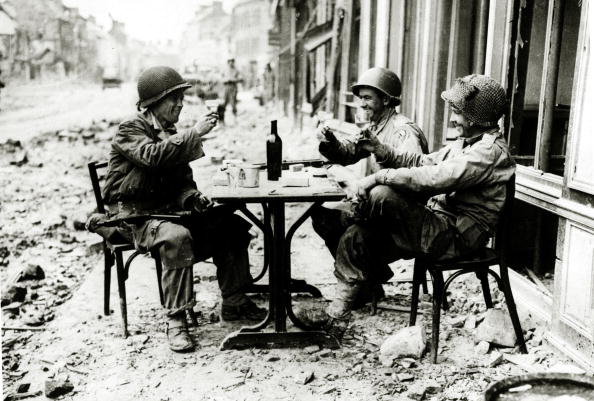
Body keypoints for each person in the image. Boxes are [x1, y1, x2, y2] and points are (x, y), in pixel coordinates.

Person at [302, 74, 515, 338]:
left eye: (457, 113)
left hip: (455, 239)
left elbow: (434, 178)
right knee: (355, 237)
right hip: (437, 226)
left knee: (380, 194)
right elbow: (424, 162)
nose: (452, 119)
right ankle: (336, 317)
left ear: (475, 118)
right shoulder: (466, 144)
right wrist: (382, 151)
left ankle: (349, 216)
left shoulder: (488, 152)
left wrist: (378, 176)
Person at [101, 66, 266, 352]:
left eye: (181, 97)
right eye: (173, 98)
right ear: (153, 103)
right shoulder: (131, 129)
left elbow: (182, 184)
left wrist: (193, 199)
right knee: (176, 238)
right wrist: (195, 133)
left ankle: (235, 301)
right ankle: (175, 320)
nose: (180, 103)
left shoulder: (171, 133)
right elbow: (151, 158)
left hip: (166, 213)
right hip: (135, 217)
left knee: (231, 226)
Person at [310, 67, 428, 312]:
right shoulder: (375, 127)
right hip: (381, 211)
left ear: (386, 99)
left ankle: (342, 305)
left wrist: (380, 167)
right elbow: (347, 153)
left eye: (368, 98)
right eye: (360, 98)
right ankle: (369, 283)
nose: (361, 104)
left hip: (403, 220)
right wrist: (329, 140)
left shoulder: (403, 130)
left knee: (353, 234)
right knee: (324, 218)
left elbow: (416, 171)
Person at [220, 58, 242, 123]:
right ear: (228, 62)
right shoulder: (224, 70)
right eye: (229, 61)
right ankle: (222, 120)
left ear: (233, 62)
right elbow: (221, 78)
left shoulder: (236, 70)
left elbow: (241, 79)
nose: (231, 63)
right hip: (226, 87)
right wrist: (225, 80)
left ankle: (235, 119)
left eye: (232, 61)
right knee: (224, 103)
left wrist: (233, 79)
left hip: (233, 87)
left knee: (233, 103)